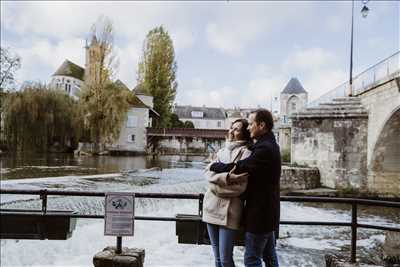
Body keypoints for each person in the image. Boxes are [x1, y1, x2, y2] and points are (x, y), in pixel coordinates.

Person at [210, 109, 281, 267]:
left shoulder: (264, 149)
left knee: (251, 259)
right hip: (268, 212)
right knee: (269, 257)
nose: (248, 128)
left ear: (261, 125)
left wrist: (216, 166)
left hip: (260, 213)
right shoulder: (268, 144)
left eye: (250, 124)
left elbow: (241, 167)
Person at [203, 118, 252, 267]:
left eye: (236, 129)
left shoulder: (247, 154)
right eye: (231, 128)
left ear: (244, 134)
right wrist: (228, 177)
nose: (231, 131)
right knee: (217, 259)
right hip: (210, 208)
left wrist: (216, 184)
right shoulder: (221, 151)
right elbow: (207, 174)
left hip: (230, 212)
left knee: (225, 259)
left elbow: (240, 187)